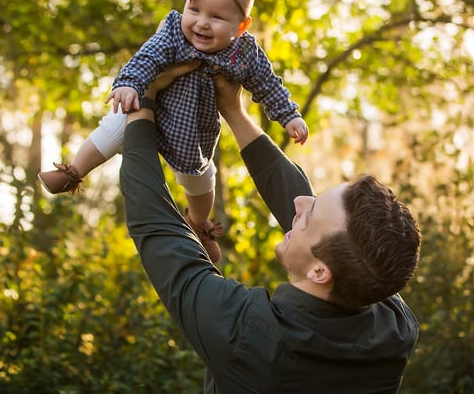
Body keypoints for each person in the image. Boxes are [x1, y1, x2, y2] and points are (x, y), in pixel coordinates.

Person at [119, 63, 421, 393]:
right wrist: (232, 110)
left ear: (320, 272)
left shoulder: (248, 334)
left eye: (310, 214)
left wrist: (143, 101)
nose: (299, 205)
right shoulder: (392, 325)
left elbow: (156, 226)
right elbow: (304, 204)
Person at [38, 0, 308, 262]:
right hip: (145, 104)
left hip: (192, 131)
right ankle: (73, 171)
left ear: (241, 25)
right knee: (111, 131)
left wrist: (289, 115)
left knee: (202, 180)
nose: (201, 22)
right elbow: (148, 56)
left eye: (216, 17)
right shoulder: (173, 31)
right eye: (194, 10)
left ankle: (199, 224)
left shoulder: (244, 53)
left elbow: (268, 85)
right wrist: (128, 83)